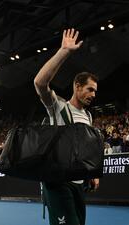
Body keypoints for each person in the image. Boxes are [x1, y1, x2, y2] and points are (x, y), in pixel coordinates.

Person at [34, 28, 99, 225]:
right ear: (77, 86)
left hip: (78, 184)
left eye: (95, 91)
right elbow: (39, 82)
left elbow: (86, 149)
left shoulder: (88, 116)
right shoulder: (58, 107)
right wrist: (64, 51)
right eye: (90, 89)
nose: (93, 95)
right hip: (57, 183)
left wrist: (93, 174)